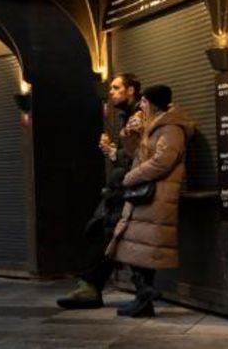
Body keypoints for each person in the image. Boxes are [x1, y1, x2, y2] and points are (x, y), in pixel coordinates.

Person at [56, 73, 144, 309]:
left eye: (117, 88)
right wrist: (113, 151)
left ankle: (91, 287)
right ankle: (91, 286)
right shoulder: (129, 117)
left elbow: (140, 157)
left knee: (105, 234)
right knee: (103, 234)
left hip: (129, 191)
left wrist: (114, 153)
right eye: (111, 89)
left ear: (131, 90)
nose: (112, 92)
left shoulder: (139, 118)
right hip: (122, 190)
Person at [107, 84, 194, 318]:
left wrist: (130, 177)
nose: (141, 106)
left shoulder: (171, 128)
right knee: (135, 248)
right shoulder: (152, 125)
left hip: (157, 195)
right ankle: (143, 296)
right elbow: (136, 153)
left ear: (153, 103)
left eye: (144, 102)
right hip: (144, 195)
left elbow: (162, 161)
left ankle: (145, 297)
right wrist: (129, 133)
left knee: (143, 249)